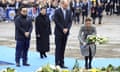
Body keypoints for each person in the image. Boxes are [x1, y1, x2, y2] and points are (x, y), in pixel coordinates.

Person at [54, 0, 72, 68]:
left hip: (65, 33)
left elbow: (70, 21)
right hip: (59, 33)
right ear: (62, 4)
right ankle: (57, 63)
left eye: (67, 5)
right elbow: (56, 21)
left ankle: (62, 63)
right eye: (65, 5)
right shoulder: (57, 11)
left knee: (63, 48)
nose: (66, 6)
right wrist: (62, 29)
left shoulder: (69, 11)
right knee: (58, 48)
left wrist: (67, 28)